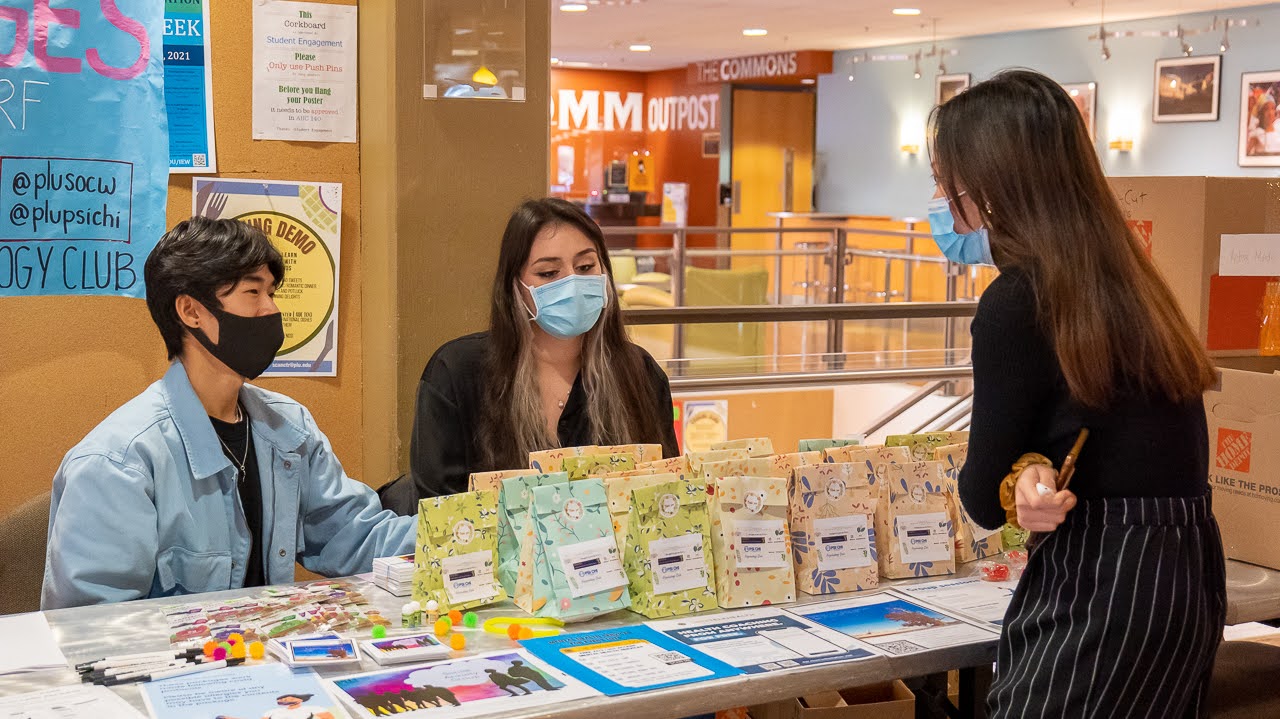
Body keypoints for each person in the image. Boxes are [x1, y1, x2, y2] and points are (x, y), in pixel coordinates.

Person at [931, 70, 1224, 716]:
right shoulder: (1138, 286)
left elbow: (981, 494)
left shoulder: (1016, 302)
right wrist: (1031, 469)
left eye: (948, 185)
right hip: (1182, 585)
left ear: (990, 187)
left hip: (1101, 598)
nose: (943, 201)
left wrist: (1015, 478)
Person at [42, 218, 416, 610]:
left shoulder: (289, 427)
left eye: (271, 292)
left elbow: (356, 537)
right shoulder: (120, 461)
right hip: (177, 669)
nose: (271, 309)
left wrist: (469, 531)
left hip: (265, 660)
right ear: (191, 311)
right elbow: (87, 628)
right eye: (253, 291)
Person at [381, 198, 679, 511]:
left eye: (586, 267)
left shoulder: (641, 374)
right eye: (549, 273)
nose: (572, 281)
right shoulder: (457, 374)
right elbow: (443, 513)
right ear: (516, 287)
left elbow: (662, 496)